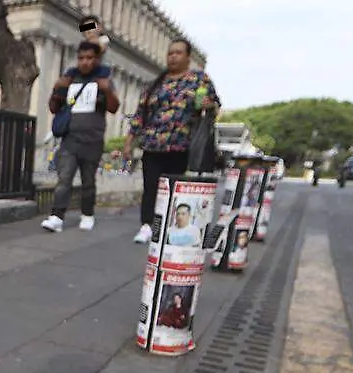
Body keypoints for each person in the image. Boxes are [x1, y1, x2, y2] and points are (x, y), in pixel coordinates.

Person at [124, 39, 220, 243]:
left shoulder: (198, 79)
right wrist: (129, 143)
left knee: (173, 188)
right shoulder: (155, 84)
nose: (173, 57)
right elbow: (139, 115)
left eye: (178, 53)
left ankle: (169, 226)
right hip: (152, 145)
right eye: (170, 53)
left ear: (187, 57)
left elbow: (215, 106)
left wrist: (208, 105)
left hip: (180, 146)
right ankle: (147, 225)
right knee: (150, 187)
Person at [42, 41, 120, 233]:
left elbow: (113, 108)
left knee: (88, 181)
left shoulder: (104, 80)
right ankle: (56, 216)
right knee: (64, 179)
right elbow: (53, 108)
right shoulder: (69, 79)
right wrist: (55, 89)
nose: (85, 62)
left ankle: (87, 214)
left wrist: (107, 89)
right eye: (81, 58)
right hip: (70, 138)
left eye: (89, 58)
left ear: (97, 59)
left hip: (93, 139)